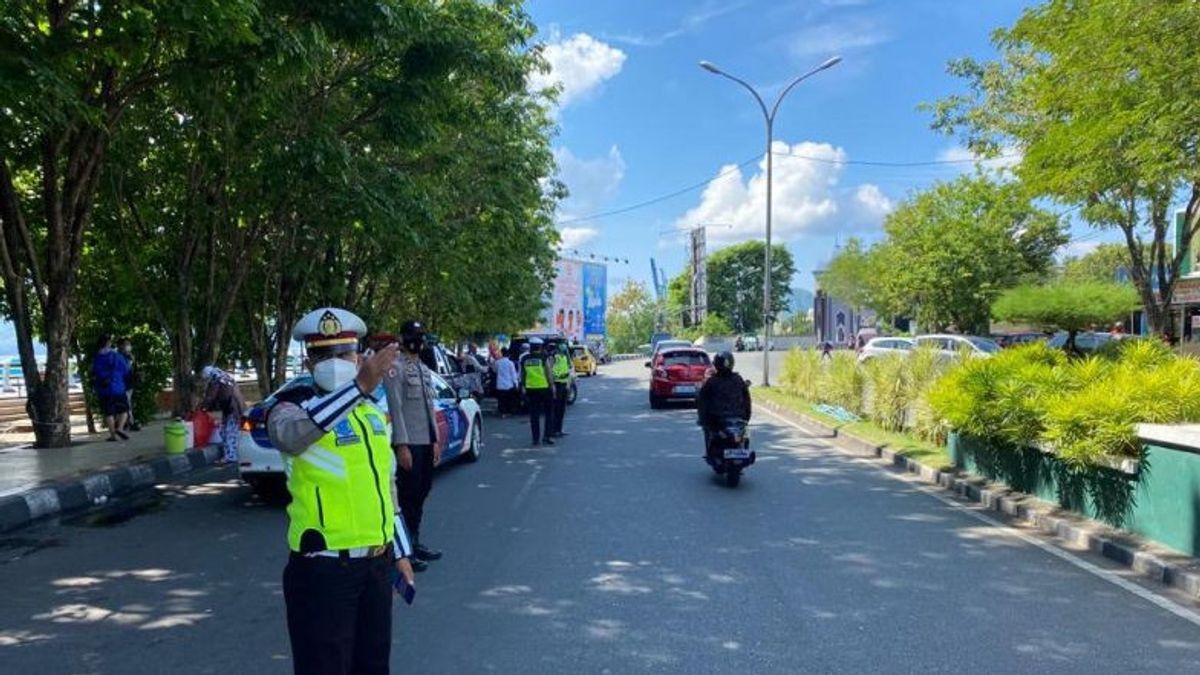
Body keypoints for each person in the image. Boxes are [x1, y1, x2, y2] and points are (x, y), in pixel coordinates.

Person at [267, 307, 415, 675]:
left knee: (373, 666)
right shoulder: (290, 407)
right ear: (308, 360)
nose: (336, 362)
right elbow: (290, 437)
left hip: (376, 566)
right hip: (323, 571)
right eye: (323, 354)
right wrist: (359, 385)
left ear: (357, 355)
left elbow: (385, 484)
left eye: (344, 353)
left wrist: (400, 551)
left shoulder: (369, 411)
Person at [383, 320, 444, 574]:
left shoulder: (422, 367)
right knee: (407, 498)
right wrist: (402, 445)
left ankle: (415, 543)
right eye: (413, 336)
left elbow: (429, 407)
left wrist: (435, 440)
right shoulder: (395, 368)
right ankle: (403, 552)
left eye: (421, 336)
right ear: (403, 337)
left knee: (421, 494)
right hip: (410, 444)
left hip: (425, 441)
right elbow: (396, 409)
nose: (418, 341)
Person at [696, 351, 752, 463]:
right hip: (736, 418)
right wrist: (746, 417)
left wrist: (703, 418)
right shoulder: (737, 379)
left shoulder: (712, 382)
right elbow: (747, 400)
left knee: (708, 428)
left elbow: (702, 400)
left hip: (719, 419)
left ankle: (712, 453)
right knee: (744, 431)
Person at [201, 365, 246, 465]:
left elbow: (212, 397)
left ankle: (230, 457)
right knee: (230, 432)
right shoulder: (226, 377)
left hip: (232, 410)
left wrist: (204, 408)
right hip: (236, 408)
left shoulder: (217, 381)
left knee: (228, 433)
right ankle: (233, 455)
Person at [92, 334, 131, 442]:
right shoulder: (116, 356)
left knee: (108, 413)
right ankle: (120, 428)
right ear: (108, 343)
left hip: (103, 389)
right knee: (124, 411)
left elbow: (95, 372)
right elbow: (126, 370)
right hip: (118, 387)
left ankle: (113, 435)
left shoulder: (97, 357)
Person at [519, 337, 556, 447]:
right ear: (540, 347)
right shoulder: (543, 358)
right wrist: (552, 385)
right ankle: (547, 436)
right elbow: (548, 373)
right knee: (549, 413)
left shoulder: (524, 359)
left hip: (530, 389)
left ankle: (535, 439)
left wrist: (523, 386)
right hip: (544, 388)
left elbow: (522, 374)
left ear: (530, 347)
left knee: (534, 415)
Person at [117, 339, 141, 431]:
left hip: (128, 383)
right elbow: (125, 368)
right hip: (122, 384)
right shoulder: (118, 356)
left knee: (127, 403)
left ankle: (126, 423)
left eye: (129, 344)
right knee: (126, 404)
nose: (129, 346)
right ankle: (129, 423)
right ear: (121, 346)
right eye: (127, 344)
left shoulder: (128, 356)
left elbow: (131, 367)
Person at [549, 341, 572, 438]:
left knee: (562, 409)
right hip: (557, 384)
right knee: (556, 409)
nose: (564, 347)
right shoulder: (554, 357)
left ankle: (559, 429)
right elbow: (550, 370)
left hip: (564, 385)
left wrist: (568, 384)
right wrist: (552, 385)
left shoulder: (565, 358)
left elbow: (568, 371)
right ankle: (553, 431)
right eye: (562, 346)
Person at [493, 347, 519, 418]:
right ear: (508, 354)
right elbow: (513, 374)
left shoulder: (497, 362)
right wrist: (516, 384)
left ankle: (502, 412)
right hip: (509, 385)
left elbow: (495, 371)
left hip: (500, 384)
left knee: (501, 400)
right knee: (508, 400)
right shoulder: (510, 363)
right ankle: (508, 412)